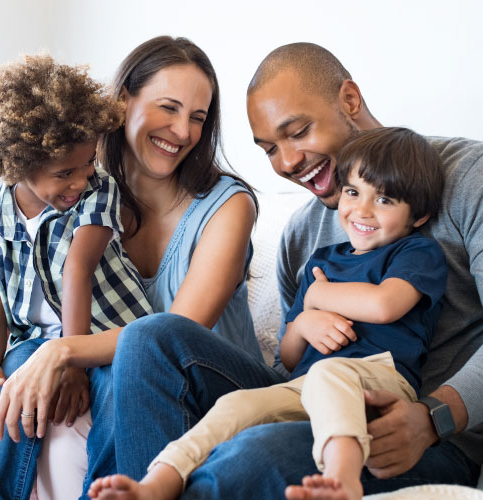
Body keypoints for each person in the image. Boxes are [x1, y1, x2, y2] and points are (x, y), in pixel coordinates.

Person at [103, 42, 483, 499]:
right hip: (312, 401)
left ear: (349, 100)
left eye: (298, 131)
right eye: (269, 150)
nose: (287, 163)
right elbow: (291, 361)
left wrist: (433, 417)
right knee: (150, 338)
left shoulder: (475, 175)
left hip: (416, 433)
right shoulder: (303, 233)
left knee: (252, 455)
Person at [0, 36, 269, 500]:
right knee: (23, 384)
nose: (182, 131)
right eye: (168, 108)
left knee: (130, 361)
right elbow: (29, 307)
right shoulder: (78, 198)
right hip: (119, 367)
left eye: (198, 117)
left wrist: (63, 352)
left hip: (210, 385)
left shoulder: (226, 207)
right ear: (121, 103)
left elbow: (176, 334)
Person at [87, 126, 448, 500]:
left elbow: (384, 305)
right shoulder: (322, 261)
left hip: (380, 381)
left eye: (385, 200)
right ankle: (157, 482)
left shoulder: (415, 253)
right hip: (304, 386)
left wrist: (319, 296)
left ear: (418, 216)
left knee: (329, 372)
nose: (362, 210)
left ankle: (344, 478)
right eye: (353, 192)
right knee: (236, 405)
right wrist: (305, 320)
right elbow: (290, 357)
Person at [0, 53, 152, 500]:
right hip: (34, 343)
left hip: (109, 333)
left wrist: (72, 360)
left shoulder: (97, 189)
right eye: (64, 173)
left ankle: (105, 493)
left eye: (87, 164)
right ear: (16, 165)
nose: (80, 180)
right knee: (12, 385)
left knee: (115, 391)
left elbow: (77, 269)